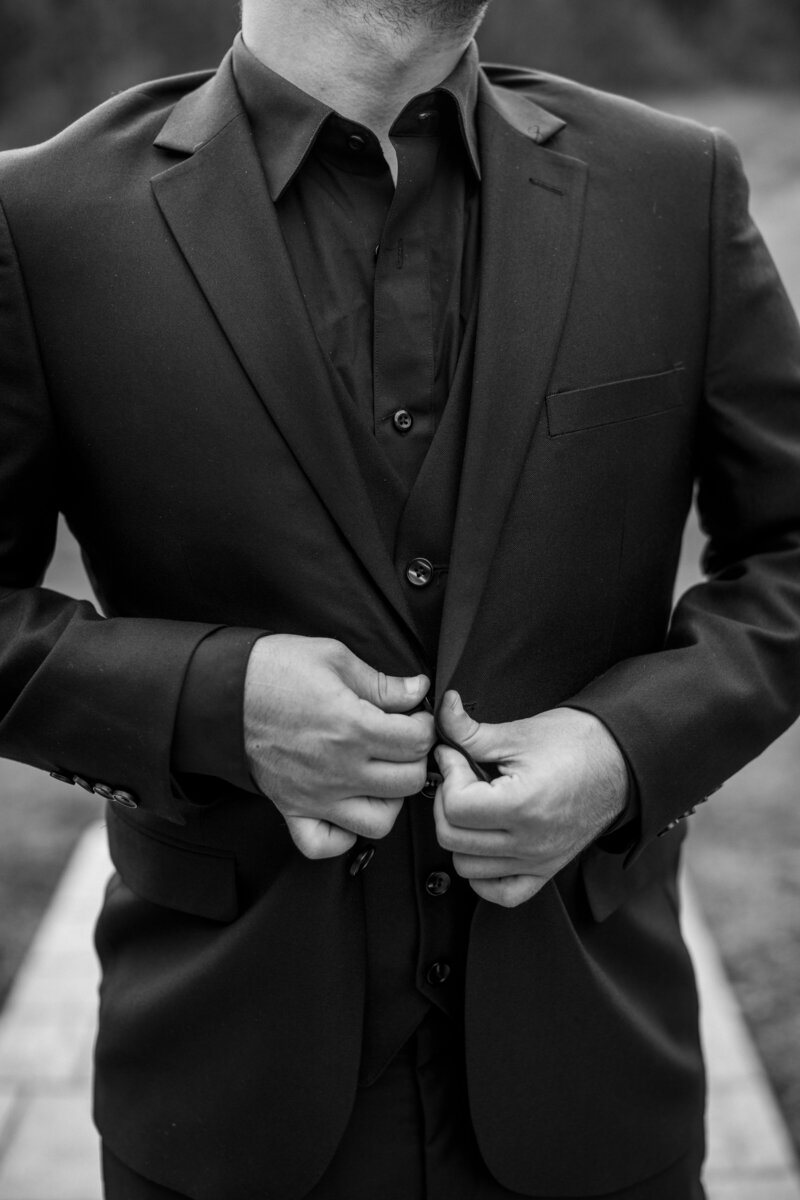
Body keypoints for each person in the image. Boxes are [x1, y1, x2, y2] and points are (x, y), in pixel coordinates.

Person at [1, 0, 799, 1196]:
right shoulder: (40, 218)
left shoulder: (670, 183)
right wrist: (213, 702)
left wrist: (625, 751)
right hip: (227, 1102)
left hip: (593, 1088)